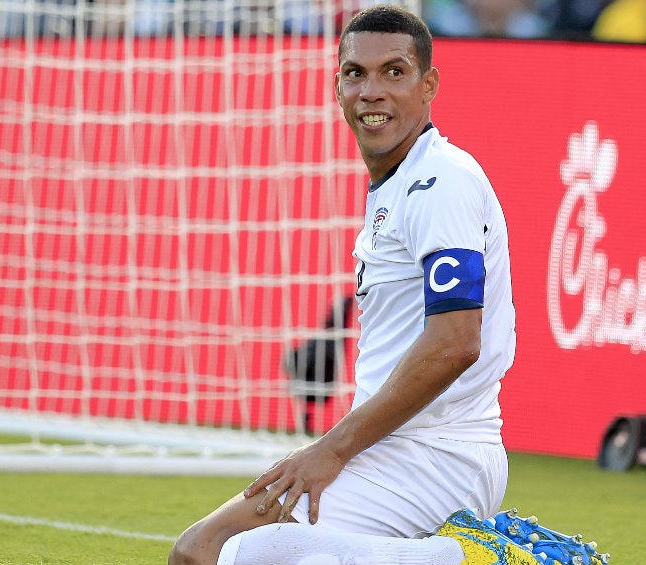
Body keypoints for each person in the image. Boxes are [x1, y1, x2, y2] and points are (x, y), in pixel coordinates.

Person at [168, 5, 521, 565]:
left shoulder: (439, 181)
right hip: (395, 447)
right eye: (356, 73)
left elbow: (456, 342)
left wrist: (331, 449)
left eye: (394, 72)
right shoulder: (398, 185)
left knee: (220, 553)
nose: (372, 90)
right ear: (338, 86)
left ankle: (465, 559)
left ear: (429, 85)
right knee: (199, 551)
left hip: (438, 455)